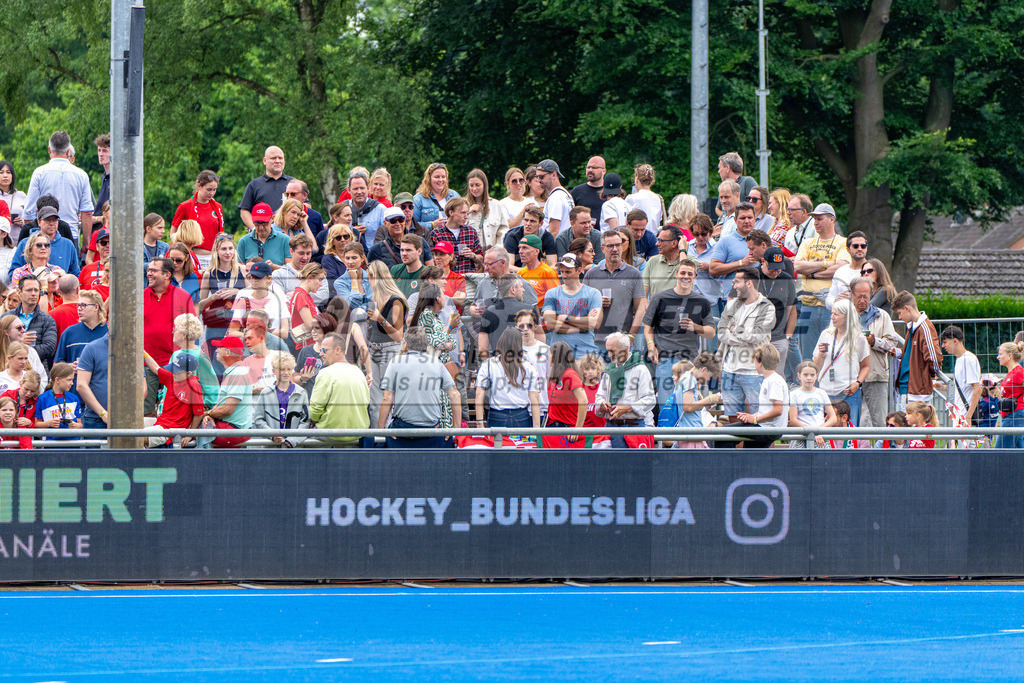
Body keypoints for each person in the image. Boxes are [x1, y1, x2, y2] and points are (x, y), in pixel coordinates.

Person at [643, 260, 715, 406]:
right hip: (665, 360)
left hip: (690, 361)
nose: (685, 276)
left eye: (690, 273)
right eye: (682, 272)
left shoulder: (702, 302)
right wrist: (651, 345)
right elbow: (647, 325)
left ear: (695, 276)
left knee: (689, 405)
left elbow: (711, 333)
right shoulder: (660, 298)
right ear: (676, 274)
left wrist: (695, 327)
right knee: (666, 405)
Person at [378, 327, 460, 448]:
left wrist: (380, 431)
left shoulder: (396, 362)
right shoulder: (437, 363)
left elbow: (387, 399)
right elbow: (455, 395)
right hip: (432, 429)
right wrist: (456, 430)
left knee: (380, 444)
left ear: (405, 344)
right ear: (425, 345)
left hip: (403, 429)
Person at [793, 203, 851, 363]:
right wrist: (828, 263)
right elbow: (797, 266)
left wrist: (811, 272)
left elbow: (842, 267)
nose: (815, 222)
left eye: (819, 219)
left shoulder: (842, 243)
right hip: (807, 305)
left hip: (832, 308)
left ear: (832, 219)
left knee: (832, 354)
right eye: (814, 219)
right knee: (807, 356)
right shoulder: (807, 243)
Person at [716, 267, 775, 421]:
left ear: (749, 283)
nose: (734, 286)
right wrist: (742, 334)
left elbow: (757, 336)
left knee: (760, 418)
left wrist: (734, 330)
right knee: (732, 419)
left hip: (754, 371)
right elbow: (722, 332)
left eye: (737, 282)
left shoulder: (767, 307)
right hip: (729, 369)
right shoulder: (731, 304)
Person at [143, 257, 197, 414]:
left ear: (167, 275)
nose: (149, 274)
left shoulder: (182, 295)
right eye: (148, 271)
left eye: (153, 271)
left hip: (176, 365)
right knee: (145, 411)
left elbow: (192, 330)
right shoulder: (140, 296)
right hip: (147, 365)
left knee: (174, 410)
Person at [22, 131, 93, 245]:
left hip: (42, 236)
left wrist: (29, 236)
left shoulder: (39, 173)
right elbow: (87, 212)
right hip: (70, 234)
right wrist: (86, 243)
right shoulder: (81, 175)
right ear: (68, 151)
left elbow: (29, 211)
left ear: (49, 150)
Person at [850, 277, 902, 428]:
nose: (862, 300)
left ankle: (881, 450)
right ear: (851, 294)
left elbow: (892, 343)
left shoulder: (882, 315)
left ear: (871, 294)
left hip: (876, 374)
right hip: (849, 377)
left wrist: (875, 342)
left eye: (866, 296)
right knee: (851, 422)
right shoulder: (844, 315)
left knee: (879, 422)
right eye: (858, 296)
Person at [584, 229, 646, 353]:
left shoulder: (633, 273)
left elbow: (641, 308)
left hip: (622, 341)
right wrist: (596, 302)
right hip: (596, 340)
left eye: (618, 245)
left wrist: (631, 336)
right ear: (602, 249)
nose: (615, 249)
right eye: (610, 246)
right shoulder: (592, 274)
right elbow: (581, 306)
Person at [812, 299, 870, 426]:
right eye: (832, 313)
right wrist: (821, 355)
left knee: (850, 429)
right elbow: (816, 366)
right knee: (825, 430)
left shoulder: (858, 338)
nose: (832, 317)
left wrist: (857, 383)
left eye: (836, 314)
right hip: (825, 391)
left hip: (848, 392)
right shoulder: (826, 334)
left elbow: (865, 366)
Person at [309, 332, 371, 445]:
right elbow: (366, 402)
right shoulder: (359, 372)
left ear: (338, 350)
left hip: (329, 434)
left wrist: (313, 420)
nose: (321, 354)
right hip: (358, 434)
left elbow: (315, 409)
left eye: (324, 350)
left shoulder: (325, 373)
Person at [365, 261, 406, 429]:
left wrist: (380, 318)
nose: (367, 280)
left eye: (369, 276)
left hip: (390, 350)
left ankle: (387, 437)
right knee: (373, 400)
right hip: (373, 349)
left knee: (388, 398)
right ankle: (376, 437)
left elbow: (398, 335)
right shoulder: (374, 298)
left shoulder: (396, 300)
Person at [475, 327, 541, 431]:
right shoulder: (529, 367)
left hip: (496, 415)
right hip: (521, 416)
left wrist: (479, 423)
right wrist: (537, 428)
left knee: (496, 446)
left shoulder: (488, 364)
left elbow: (479, 394)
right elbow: (534, 399)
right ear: (519, 344)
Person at [596, 332, 656, 445]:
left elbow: (650, 400)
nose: (609, 355)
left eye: (612, 351)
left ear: (625, 348)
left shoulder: (640, 370)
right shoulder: (608, 371)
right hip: (611, 426)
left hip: (634, 428)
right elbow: (599, 397)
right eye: (608, 351)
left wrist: (627, 408)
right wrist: (603, 405)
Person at [542, 253, 603, 356]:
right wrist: (581, 327)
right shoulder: (552, 293)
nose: (564, 276)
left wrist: (566, 318)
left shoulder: (593, 293)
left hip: (586, 355)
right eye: (562, 272)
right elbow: (550, 324)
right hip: (560, 356)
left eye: (568, 272)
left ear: (579, 270)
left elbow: (594, 323)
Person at [197, 336, 252, 448]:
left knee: (188, 432)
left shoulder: (238, 373)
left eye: (219, 347)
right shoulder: (235, 371)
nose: (216, 350)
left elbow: (227, 409)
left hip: (233, 430)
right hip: (229, 426)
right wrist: (211, 415)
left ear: (227, 352)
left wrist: (208, 414)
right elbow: (222, 405)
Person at [141, 352, 204, 448]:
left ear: (189, 373)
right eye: (173, 369)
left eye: (177, 371)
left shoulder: (194, 385)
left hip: (172, 429)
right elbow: (156, 368)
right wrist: (143, 353)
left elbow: (198, 414)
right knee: (129, 425)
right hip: (161, 422)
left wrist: (190, 434)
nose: (173, 372)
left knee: (136, 437)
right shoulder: (173, 377)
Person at [197, 233, 246, 352]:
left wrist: (237, 291)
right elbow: (199, 306)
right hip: (216, 322)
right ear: (217, 251)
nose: (228, 252)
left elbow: (252, 296)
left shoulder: (242, 270)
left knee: (238, 358)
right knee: (215, 359)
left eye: (230, 248)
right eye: (224, 249)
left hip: (238, 322)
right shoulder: (209, 274)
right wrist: (212, 298)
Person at [893, 290, 942, 407]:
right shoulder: (912, 327)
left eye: (900, 313)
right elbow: (912, 354)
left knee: (913, 424)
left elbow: (934, 357)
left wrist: (926, 377)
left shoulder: (924, 327)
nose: (899, 317)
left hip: (917, 392)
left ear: (907, 308)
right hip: (907, 388)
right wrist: (898, 352)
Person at [736, 344, 789, 449]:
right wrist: (750, 417)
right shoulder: (768, 379)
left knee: (723, 434)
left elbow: (778, 410)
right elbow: (767, 410)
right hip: (765, 426)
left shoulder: (774, 380)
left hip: (768, 429)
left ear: (760, 363)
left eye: (754, 362)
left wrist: (755, 420)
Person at [8, 205, 80, 280]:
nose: (52, 223)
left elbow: (75, 274)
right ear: (39, 222)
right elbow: (13, 274)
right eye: (48, 220)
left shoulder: (68, 245)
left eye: (55, 220)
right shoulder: (24, 243)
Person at [253, 353, 310, 448]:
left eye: (289, 369)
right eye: (282, 369)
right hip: (271, 448)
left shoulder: (301, 392)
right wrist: (272, 435)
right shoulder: (265, 393)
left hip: (294, 448)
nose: (286, 373)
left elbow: (305, 421)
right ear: (273, 371)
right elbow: (259, 420)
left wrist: (294, 439)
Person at [709, 201, 758, 310]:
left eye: (750, 217)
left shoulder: (762, 240)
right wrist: (741, 263)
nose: (746, 221)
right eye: (742, 218)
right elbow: (713, 269)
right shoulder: (726, 241)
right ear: (735, 220)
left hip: (758, 299)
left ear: (755, 219)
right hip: (734, 299)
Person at [667, 352, 721, 448]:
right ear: (704, 369)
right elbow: (687, 407)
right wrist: (709, 399)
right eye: (710, 375)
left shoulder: (687, 378)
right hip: (690, 436)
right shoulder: (689, 379)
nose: (708, 379)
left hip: (690, 435)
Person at [2, 275, 57, 369]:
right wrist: (19, 342)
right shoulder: (6, 317)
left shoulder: (48, 320)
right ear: (19, 293)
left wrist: (23, 350)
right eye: (29, 290)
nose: (33, 293)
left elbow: (49, 348)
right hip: (7, 370)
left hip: (36, 373)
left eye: (36, 290)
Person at [758, 247, 798, 375]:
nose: (776, 272)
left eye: (779, 268)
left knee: (777, 377)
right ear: (763, 261)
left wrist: (788, 337)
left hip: (779, 337)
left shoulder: (786, 278)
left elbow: (792, 310)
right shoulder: (751, 275)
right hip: (754, 337)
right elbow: (733, 301)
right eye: (772, 268)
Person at [542, 342, 587, 448]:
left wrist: (577, 429)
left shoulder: (570, 374)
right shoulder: (555, 375)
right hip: (553, 426)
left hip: (567, 430)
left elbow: (584, 401)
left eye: (549, 354)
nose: (548, 357)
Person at [228, 261, 289, 340]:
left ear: (269, 279)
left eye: (258, 277)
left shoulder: (278, 299)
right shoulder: (243, 299)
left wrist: (260, 333)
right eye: (252, 277)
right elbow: (232, 332)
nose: (254, 280)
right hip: (250, 347)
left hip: (273, 347)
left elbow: (284, 333)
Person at [479, 273, 535, 358]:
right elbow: (540, 339)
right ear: (513, 289)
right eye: (521, 287)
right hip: (524, 364)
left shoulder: (488, 313)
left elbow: (482, 349)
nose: (523, 290)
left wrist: (490, 367)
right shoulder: (529, 310)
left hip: (499, 365)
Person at [239, 146, 293, 231]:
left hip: (289, 234)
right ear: (265, 160)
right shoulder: (254, 184)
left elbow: (305, 205)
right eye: (273, 158)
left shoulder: (293, 183)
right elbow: (244, 211)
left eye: (280, 158)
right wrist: (255, 230)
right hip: (262, 235)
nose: (278, 161)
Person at [938, 325, 982, 428]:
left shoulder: (968, 359)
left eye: (945, 342)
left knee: (966, 443)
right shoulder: (960, 359)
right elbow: (963, 388)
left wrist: (968, 417)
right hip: (959, 415)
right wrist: (942, 387)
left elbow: (977, 388)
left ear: (955, 341)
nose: (943, 346)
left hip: (964, 416)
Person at [470, 246, 538, 312]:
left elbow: (534, 314)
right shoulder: (483, 283)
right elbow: (474, 304)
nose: (486, 268)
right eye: (485, 264)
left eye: (489, 264)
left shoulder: (522, 284)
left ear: (503, 262)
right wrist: (474, 310)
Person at [172, 170, 224, 255]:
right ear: (199, 186)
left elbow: (219, 232)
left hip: (214, 256)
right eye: (209, 189)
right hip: (193, 254)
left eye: (214, 190)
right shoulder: (184, 206)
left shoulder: (218, 207)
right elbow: (173, 234)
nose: (212, 193)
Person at [53, 290, 107, 372]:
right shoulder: (69, 332)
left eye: (83, 305)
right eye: (78, 305)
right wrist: (70, 367)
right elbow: (56, 365)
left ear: (96, 307)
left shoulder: (109, 332)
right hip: (75, 383)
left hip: (102, 383)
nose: (79, 309)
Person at [788, 361, 837, 448]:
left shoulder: (822, 393)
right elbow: (793, 420)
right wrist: (811, 433)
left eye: (812, 375)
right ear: (799, 376)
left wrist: (819, 431)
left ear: (817, 376)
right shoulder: (794, 394)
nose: (809, 378)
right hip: (802, 436)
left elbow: (833, 418)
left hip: (820, 437)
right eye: (805, 375)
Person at [430, 197, 483, 274]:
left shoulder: (471, 231)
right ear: (451, 213)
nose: (466, 216)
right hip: (447, 278)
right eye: (463, 213)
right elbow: (432, 261)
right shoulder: (437, 233)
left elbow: (481, 259)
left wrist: (472, 255)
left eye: (467, 213)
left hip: (468, 278)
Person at [272, 235, 329, 305]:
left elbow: (324, 297)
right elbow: (279, 299)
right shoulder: (278, 275)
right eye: (301, 253)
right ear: (291, 252)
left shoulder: (318, 272)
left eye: (308, 253)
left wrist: (296, 294)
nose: (305, 257)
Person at [35, 362, 81, 439]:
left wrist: (76, 425)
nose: (72, 383)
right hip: (51, 445)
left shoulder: (74, 398)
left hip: (73, 444)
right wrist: (48, 423)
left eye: (72, 380)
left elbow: (80, 424)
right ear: (57, 380)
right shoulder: (43, 398)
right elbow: (36, 424)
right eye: (69, 380)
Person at [825, 231, 869, 309]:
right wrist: (836, 301)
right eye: (855, 246)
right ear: (848, 249)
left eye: (863, 246)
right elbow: (829, 299)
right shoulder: (840, 271)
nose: (859, 249)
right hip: (842, 316)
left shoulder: (872, 270)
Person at [466, 169, 508, 249]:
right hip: (471, 253)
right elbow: (455, 226)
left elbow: (503, 231)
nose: (474, 189)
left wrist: (498, 249)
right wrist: (468, 212)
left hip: (492, 253)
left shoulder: (496, 205)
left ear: (484, 185)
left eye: (477, 185)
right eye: (471, 185)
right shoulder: (463, 204)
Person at [287, 263, 325, 351]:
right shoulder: (301, 296)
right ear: (310, 277)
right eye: (319, 280)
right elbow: (310, 325)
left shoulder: (304, 295)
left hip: (310, 344)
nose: (321, 284)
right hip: (307, 346)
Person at [994, 341, 1024, 450]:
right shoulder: (1011, 373)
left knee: (1000, 451)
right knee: (1018, 452)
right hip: (1010, 415)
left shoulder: (1018, 372)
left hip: (1015, 415)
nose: (998, 357)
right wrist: (995, 388)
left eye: (1001, 354)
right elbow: (1004, 397)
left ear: (1010, 356)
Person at [413, 162, 460, 231]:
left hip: (453, 238)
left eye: (443, 177)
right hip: (430, 239)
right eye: (437, 177)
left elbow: (464, 217)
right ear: (429, 179)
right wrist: (432, 225)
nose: (440, 180)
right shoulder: (418, 199)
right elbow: (412, 224)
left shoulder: (454, 195)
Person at [517, 234, 560, 309]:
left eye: (525, 248)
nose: (520, 251)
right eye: (520, 248)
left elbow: (556, 299)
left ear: (536, 251)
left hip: (540, 315)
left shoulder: (548, 272)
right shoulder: (520, 272)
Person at [643, 224, 686, 299]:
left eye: (661, 241)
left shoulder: (690, 261)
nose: (657, 244)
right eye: (657, 240)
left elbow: (684, 272)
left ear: (674, 243)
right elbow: (643, 293)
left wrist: (682, 249)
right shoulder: (652, 261)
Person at [75, 334, 107, 428]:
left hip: (126, 420)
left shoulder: (132, 349)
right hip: (96, 419)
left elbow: (142, 387)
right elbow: (81, 385)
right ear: (109, 324)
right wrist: (103, 414)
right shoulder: (92, 348)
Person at [688, 214, 720, 304]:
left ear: (710, 232)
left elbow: (723, 274)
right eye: (696, 234)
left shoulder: (717, 248)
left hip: (710, 299)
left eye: (703, 234)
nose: (700, 237)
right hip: (690, 298)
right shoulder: (687, 247)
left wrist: (710, 267)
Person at [536, 159, 574, 236]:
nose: (539, 180)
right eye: (537, 177)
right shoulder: (566, 194)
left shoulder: (555, 198)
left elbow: (554, 231)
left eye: (541, 176)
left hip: (557, 245)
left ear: (554, 175)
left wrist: (546, 247)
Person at [625, 163, 665, 232]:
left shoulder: (632, 198)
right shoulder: (657, 198)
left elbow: (625, 220)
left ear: (636, 179)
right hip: (653, 237)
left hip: (638, 236)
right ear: (652, 181)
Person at [569, 156, 607, 222]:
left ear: (604, 171)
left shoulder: (610, 192)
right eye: (588, 167)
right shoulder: (577, 192)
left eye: (594, 168)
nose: (590, 170)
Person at [431, 241, 467, 308]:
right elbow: (425, 300)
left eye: (442, 254)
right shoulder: (429, 277)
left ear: (451, 256)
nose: (437, 257)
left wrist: (436, 299)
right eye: (436, 254)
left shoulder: (458, 278)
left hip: (452, 316)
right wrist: (451, 299)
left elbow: (460, 300)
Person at [390, 234, 427, 298]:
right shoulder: (395, 270)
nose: (404, 254)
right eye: (402, 250)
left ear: (419, 251)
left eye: (408, 250)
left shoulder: (427, 274)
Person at [321, 224, 355, 292]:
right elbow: (333, 284)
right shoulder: (328, 259)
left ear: (350, 238)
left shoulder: (357, 256)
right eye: (338, 238)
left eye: (346, 236)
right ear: (332, 241)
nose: (343, 240)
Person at [0, 160, 28, 230]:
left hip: (18, 238)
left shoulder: (21, 195)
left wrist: (22, 222)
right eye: (1, 172)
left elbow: (31, 219)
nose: (5, 176)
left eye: (8, 172)